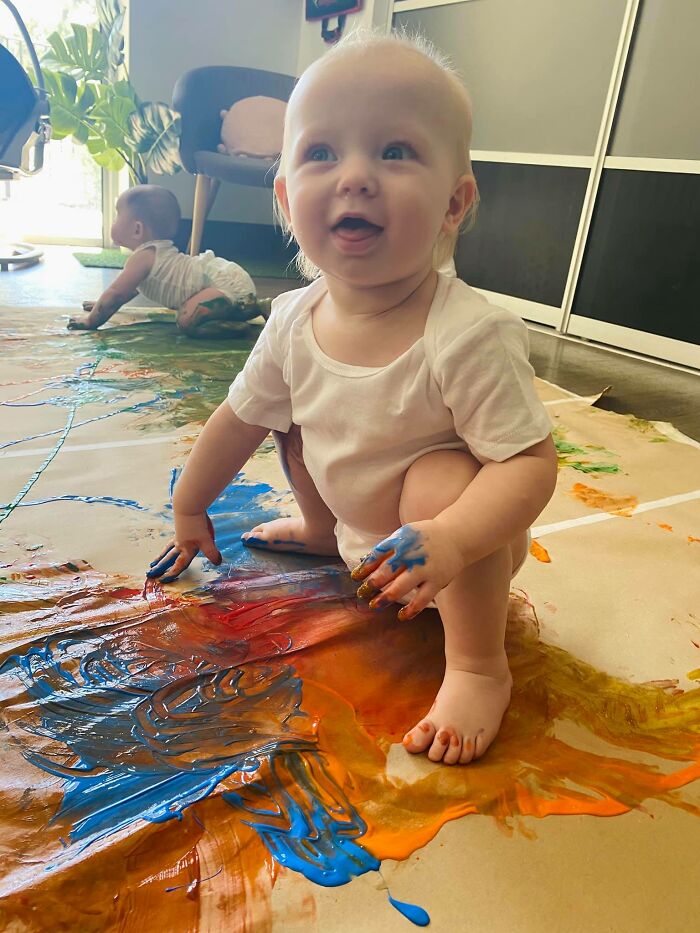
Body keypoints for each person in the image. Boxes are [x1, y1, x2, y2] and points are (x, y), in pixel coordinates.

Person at [147, 28, 558, 766]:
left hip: (456, 554)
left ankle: (477, 668)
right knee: (287, 417)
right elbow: (238, 419)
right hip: (360, 532)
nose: (356, 177)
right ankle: (319, 527)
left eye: (395, 151)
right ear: (285, 196)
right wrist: (189, 506)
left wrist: (455, 536)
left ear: (454, 202)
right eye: (321, 153)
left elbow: (529, 464)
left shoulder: (469, 333)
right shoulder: (291, 319)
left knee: (437, 476)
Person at [67, 185, 271, 336]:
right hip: (228, 284)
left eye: (117, 216)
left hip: (224, 286)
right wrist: (100, 305)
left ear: (137, 229)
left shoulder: (144, 257)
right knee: (210, 310)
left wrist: (91, 320)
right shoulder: (153, 255)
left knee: (186, 320)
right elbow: (125, 292)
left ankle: (239, 327)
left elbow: (116, 294)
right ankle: (253, 307)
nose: (113, 221)